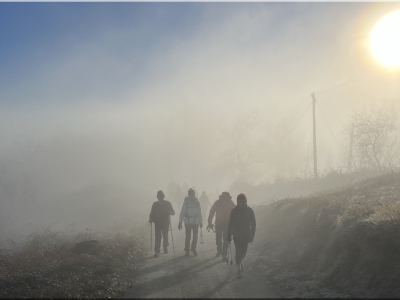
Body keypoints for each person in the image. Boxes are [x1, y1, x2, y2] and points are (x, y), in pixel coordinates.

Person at [227, 193, 256, 279]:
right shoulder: (234, 211)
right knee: (238, 251)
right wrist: (229, 235)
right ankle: (239, 270)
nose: (241, 204)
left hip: (246, 235)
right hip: (236, 234)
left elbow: (253, 225)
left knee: (244, 251)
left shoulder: (250, 211)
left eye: (243, 202)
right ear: (237, 202)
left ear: (246, 201)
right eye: (239, 202)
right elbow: (230, 224)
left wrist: (252, 235)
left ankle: (239, 263)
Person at [207, 192, 236, 260]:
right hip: (221, 223)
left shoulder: (220, 202)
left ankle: (223, 253)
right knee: (221, 238)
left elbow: (211, 212)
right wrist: (209, 222)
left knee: (223, 239)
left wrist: (210, 222)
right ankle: (220, 251)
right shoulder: (230, 203)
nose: (226, 199)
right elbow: (212, 212)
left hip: (223, 223)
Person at [149, 190, 175, 258]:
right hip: (157, 222)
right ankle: (157, 251)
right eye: (159, 196)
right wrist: (150, 219)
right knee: (158, 237)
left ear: (163, 196)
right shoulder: (155, 204)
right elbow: (152, 213)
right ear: (157, 197)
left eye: (161, 196)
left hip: (165, 222)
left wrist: (171, 212)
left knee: (165, 236)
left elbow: (173, 212)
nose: (160, 197)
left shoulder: (167, 203)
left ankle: (165, 246)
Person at [178, 188, 203, 257]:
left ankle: (193, 248)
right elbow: (183, 212)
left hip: (195, 222)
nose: (193, 196)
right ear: (189, 195)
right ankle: (187, 250)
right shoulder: (186, 202)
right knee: (188, 237)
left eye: (194, 195)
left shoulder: (197, 202)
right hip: (188, 222)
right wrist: (180, 222)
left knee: (195, 237)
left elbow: (199, 213)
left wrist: (201, 222)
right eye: (192, 195)